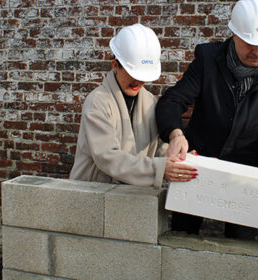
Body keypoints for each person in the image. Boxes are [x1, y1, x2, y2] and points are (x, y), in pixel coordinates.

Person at [155, 0, 258, 237]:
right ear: (235, 35)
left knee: (242, 247)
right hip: (199, 166)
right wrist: (175, 134)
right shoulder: (208, 59)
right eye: (250, 43)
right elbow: (173, 100)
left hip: (247, 175)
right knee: (182, 237)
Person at [70, 23, 198, 189]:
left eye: (143, 76)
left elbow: (159, 148)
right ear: (115, 66)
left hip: (131, 197)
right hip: (92, 196)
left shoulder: (150, 102)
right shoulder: (98, 102)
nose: (139, 82)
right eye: (134, 75)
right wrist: (158, 169)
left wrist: (184, 160)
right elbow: (107, 157)